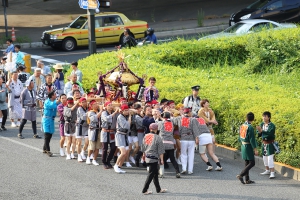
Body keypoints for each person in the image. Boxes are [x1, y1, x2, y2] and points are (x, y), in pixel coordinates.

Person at [141, 123, 167, 195]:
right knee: (151, 174)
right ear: (156, 129)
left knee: (155, 174)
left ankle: (158, 189)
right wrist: (162, 159)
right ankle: (144, 190)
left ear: (150, 129)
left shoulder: (146, 136)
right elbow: (161, 150)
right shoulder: (158, 137)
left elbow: (143, 147)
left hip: (147, 156)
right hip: (154, 157)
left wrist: (143, 155)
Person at [173, 108, 199, 174]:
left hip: (183, 138)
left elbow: (172, 121)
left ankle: (184, 168)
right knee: (191, 154)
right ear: (189, 113)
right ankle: (190, 170)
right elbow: (195, 129)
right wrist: (197, 138)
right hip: (191, 139)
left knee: (183, 154)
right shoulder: (193, 119)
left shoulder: (179, 119)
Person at [237, 112, 258, 184]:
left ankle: (247, 179)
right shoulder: (250, 127)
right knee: (252, 162)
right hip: (248, 146)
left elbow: (239, 136)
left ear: (246, 118)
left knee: (247, 162)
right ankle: (241, 175)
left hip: (243, 145)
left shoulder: (243, 125)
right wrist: (255, 149)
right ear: (253, 119)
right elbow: (252, 139)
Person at [157, 112, 181, 178]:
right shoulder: (172, 123)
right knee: (172, 159)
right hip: (170, 143)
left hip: (162, 143)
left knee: (161, 158)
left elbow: (157, 127)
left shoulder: (161, 123)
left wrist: (158, 118)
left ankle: (161, 173)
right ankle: (177, 172)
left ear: (163, 117)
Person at [256, 111, 276, 179]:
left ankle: (272, 172)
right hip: (264, 143)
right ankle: (267, 170)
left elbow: (270, 134)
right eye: (263, 116)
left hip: (270, 144)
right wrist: (259, 131)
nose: (264, 118)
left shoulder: (272, 125)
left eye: (265, 116)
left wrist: (262, 131)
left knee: (270, 158)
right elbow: (259, 134)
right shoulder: (262, 124)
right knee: (264, 158)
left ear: (269, 117)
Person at [42, 91, 61, 157]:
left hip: (52, 119)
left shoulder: (54, 101)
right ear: (52, 96)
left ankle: (44, 148)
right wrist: (58, 101)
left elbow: (58, 107)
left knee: (50, 134)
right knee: (47, 135)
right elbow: (51, 105)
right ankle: (48, 150)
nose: (56, 95)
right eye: (55, 94)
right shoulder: (47, 101)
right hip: (46, 119)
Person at [101, 101, 119, 169]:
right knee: (105, 148)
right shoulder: (103, 113)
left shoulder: (114, 113)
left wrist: (118, 111)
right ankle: (104, 162)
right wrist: (114, 113)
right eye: (109, 105)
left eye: (111, 105)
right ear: (106, 106)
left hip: (112, 132)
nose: (111, 107)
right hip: (105, 132)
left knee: (113, 147)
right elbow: (106, 119)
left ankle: (108, 161)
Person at [114, 104, 131, 173]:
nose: (127, 112)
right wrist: (130, 117)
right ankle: (115, 165)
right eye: (125, 110)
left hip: (125, 135)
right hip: (120, 135)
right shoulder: (120, 117)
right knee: (123, 152)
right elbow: (126, 126)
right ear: (122, 111)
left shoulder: (125, 117)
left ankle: (119, 167)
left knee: (126, 153)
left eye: (127, 110)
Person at [86, 100, 103, 166]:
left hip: (99, 130)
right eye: (95, 104)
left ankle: (94, 159)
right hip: (93, 130)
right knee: (92, 146)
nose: (97, 105)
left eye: (97, 104)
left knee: (97, 146)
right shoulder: (90, 112)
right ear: (91, 105)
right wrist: (101, 111)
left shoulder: (99, 111)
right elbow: (94, 119)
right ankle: (88, 157)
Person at [75, 97, 89, 162]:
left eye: (85, 101)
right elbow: (83, 117)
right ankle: (79, 155)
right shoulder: (79, 108)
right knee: (79, 143)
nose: (84, 103)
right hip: (80, 126)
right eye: (82, 102)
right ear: (80, 103)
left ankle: (83, 152)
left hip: (86, 127)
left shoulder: (88, 108)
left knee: (87, 142)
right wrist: (89, 113)